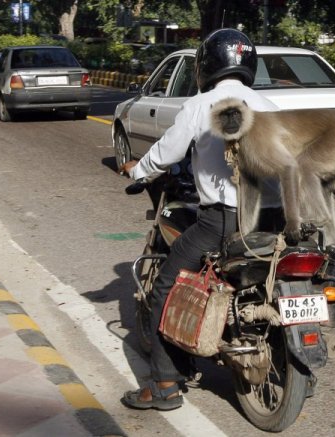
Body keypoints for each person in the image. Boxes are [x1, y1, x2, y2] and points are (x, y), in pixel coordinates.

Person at [120, 28, 279, 411]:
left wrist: (138, 170)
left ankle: (164, 386)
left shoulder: (201, 104)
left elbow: (167, 152)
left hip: (222, 222)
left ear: (207, 65)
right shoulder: (269, 104)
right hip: (273, 219)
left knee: (166, 288)